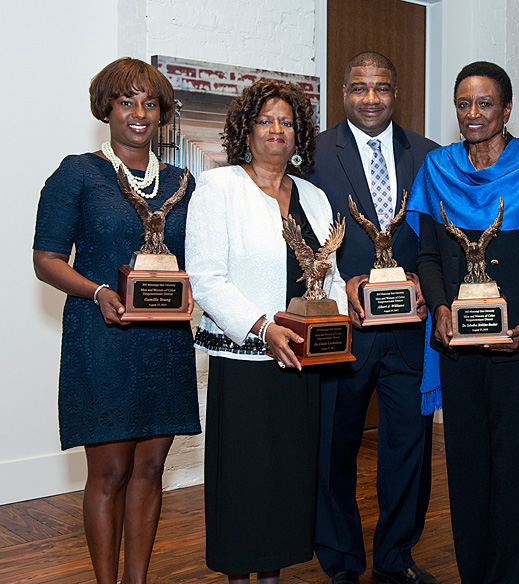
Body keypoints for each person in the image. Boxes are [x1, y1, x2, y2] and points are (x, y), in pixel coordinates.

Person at [408, 61, 519, 584]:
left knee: (516, 473)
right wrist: (439, 307)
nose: (473, 114)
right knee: (465, 471)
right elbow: (430, 257)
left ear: (507, 109)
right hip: (457, 348)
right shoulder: (437, 169)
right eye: (464, 104)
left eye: (485, 104)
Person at [32, 57, 201, 584]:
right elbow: (46, 258)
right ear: (106, 107)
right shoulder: (77, 172)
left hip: (165, 345)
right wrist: (99, 290)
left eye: (149, 104)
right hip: (101, 339)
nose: (138, 113)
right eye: (126, 101)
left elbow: (194, 256)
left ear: (162, 115)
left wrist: (195, 286)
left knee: (151, 472)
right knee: (109, 474)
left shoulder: (183, 183)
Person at [185, 79, 346, 584]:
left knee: (287, 479)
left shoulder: (315, 198)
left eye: (287, 121)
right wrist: (262, 327)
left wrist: (334, 321)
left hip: (304, 361)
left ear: (299, 135)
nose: (277, 129)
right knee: (244, 481)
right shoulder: (219, 188)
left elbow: (331, 274)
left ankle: (273, 574)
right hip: (248, 361)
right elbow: (206, 277)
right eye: (266, 120)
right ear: (247, 130)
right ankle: (239, 575)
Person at [306, 51, 440, 584]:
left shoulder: (429, 155)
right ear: (343, 92)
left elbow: (439, 238)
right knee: (334, 448)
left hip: (411, 333)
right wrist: (341, 287)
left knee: (408, 448)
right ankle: (340, 560)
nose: (370, 98)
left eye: (381, 88)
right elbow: (295, 239)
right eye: (360, 88)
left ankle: (395, 556)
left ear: (396, 92)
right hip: (345, 330)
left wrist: (432, 290)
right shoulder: (313, 154)